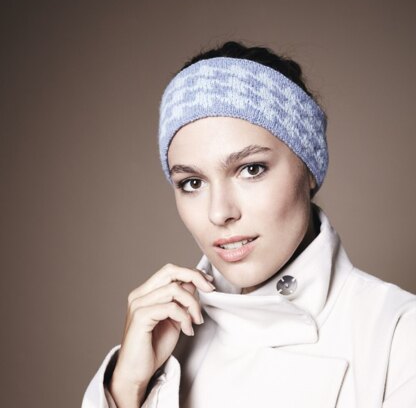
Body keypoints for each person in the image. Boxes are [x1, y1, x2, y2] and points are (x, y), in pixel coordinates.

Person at [82, 41, 416, 408]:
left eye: (251, 169)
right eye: (192, 183)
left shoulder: (398, 334)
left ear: (308, 168)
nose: (219, 212)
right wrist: (126, 385)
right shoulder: (162, 339)